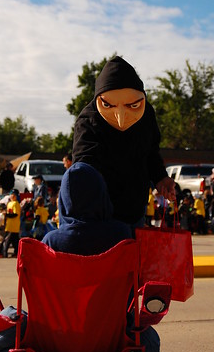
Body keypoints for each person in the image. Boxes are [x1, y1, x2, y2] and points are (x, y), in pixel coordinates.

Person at [43, 162, 160, 352]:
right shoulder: (121, 235)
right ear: (101, 194)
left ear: (63, 199)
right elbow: (132, 291)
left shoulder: (51, 242)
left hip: (59, 341)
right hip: (113, 340)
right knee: (151, 342)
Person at [72, 56, 175, 231]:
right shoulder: (88, 120)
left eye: (132, 106)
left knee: (132, 256)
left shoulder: (147, 114)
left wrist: (160, 178)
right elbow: (84, 167)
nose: (121, 119)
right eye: (109, 106)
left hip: (135, 208)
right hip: (101, 214)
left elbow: (150, 152)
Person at [0, 189, 21, 258]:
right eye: (11, 194)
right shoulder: (10, 203)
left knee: (6, 240)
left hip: (13, 225)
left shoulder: (16, 204)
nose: (12, 196)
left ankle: (3, 253)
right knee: (15, 241)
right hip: (9, 225)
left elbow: (15, 214)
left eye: (14, 195)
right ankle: (17, 252)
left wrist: (7, 214)